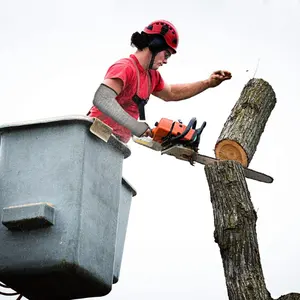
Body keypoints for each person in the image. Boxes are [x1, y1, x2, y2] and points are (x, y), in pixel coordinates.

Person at [88, 20, 231, 143]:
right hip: (92, 134)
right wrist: (136, 126)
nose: (165, 61)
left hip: (116, 144)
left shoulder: (152, 76)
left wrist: (208, 83)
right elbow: (102, 98)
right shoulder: (126, 67)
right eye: (166, 55)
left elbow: (171, 93)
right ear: (155, 44)